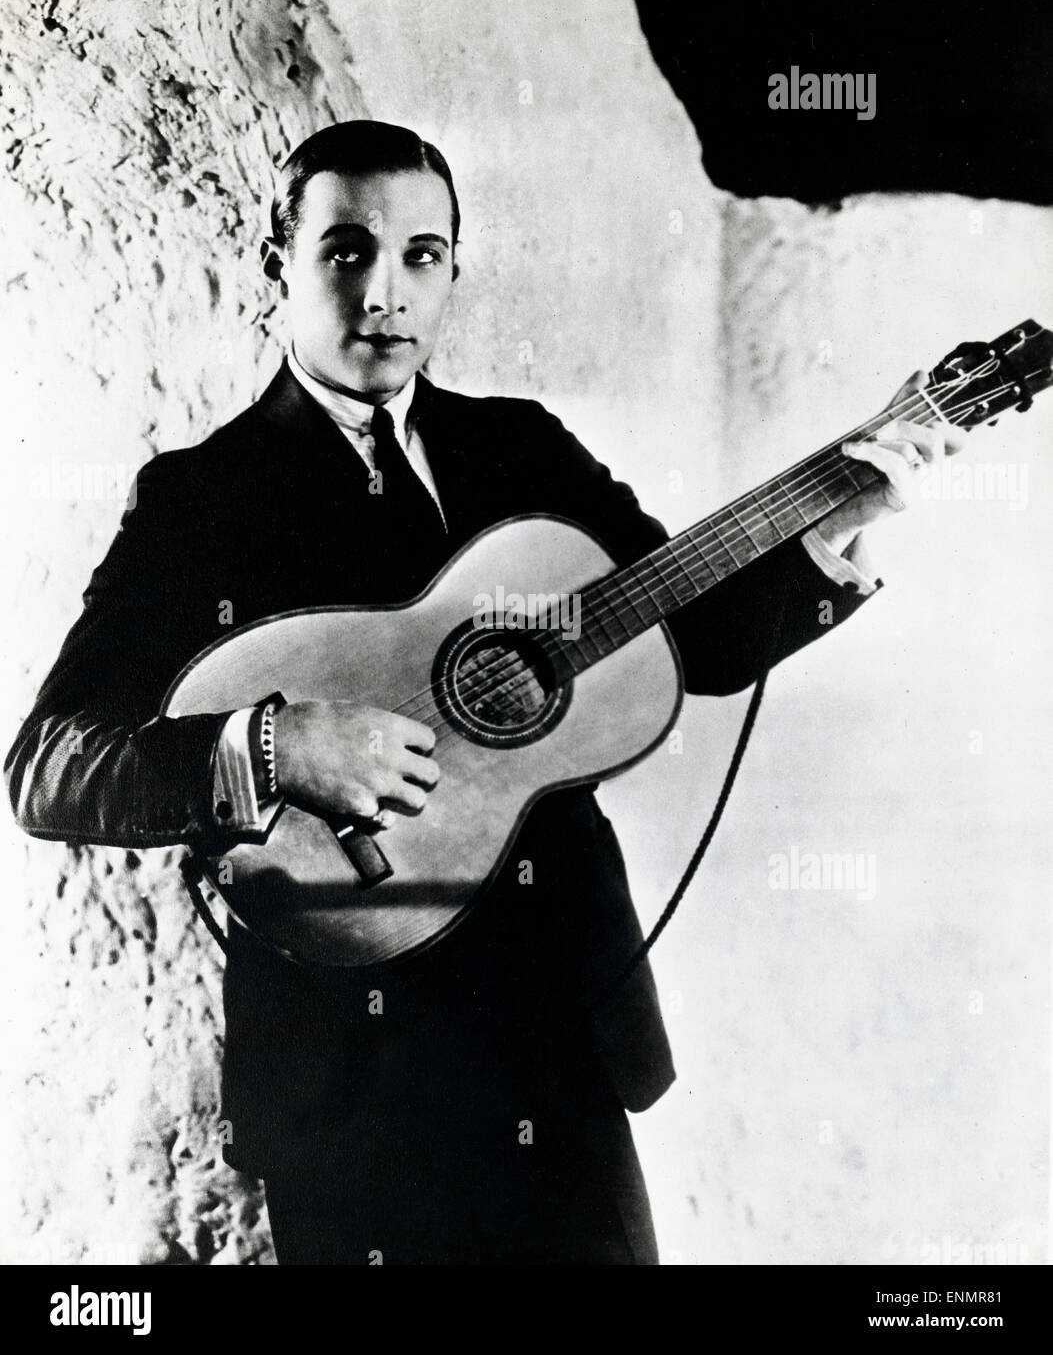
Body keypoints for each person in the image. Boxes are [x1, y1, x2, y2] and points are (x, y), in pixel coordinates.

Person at [5, 121, 964, 1265]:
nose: (385, 293)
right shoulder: (198, 499)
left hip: (554, 1033)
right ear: (279, 259)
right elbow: (50, 767)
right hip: (349, 1081)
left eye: (422, 255)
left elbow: (687, 641)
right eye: (347, 250)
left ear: (453, 270)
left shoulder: (523, 452)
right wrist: (273, 747)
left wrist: (833, 524)